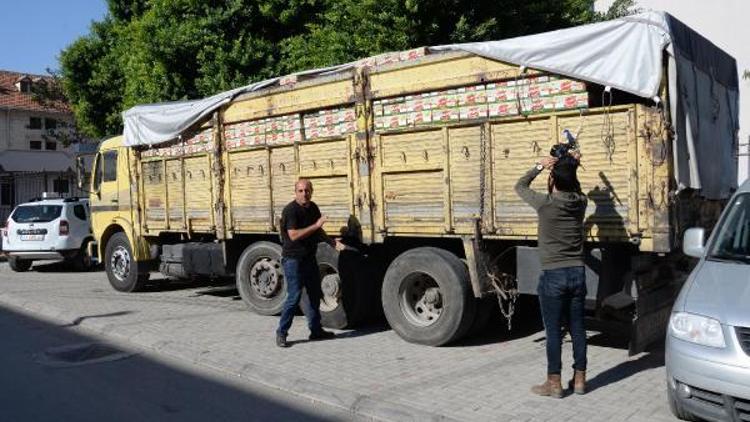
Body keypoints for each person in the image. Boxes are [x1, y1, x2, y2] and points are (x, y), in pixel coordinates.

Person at [514, 150, 588, 398]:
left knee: (554, 331)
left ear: (553, 180)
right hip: (577, 273)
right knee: (578, 329)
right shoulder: (581, 203)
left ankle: (554, 382)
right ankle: (579, 380)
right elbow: (574, 185)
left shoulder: (545, 204)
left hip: (553, 275)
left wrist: (538, 165)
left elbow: (520, 186)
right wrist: (571, 164)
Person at [276, 178, 344, 348]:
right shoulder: (291, 211)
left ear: (311, 191)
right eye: (300, 191)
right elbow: (294, 235)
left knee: (315, 294)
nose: (304, 194)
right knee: (294, 297)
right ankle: (281, 333)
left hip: (309, 258)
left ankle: (316, 331)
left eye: (307, 190)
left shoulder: (313, 207)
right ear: (295, 192)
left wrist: (332, 242)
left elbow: (318, 230)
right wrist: (315, 225)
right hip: (293, 260)